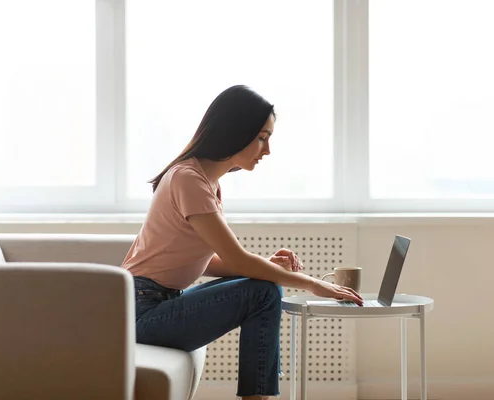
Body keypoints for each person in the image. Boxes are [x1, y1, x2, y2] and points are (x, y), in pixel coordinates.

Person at [122, 85, 363, 400]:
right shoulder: (188, 179)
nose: (267, 150)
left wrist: (265, 267)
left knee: (263, 285)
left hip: (154, 302)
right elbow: (237, 259)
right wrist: (311, 284)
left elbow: (200, 261)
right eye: (262, 137)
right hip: (142, 312)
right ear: (236, 131)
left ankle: (258, 395)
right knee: (263, 291)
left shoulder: (205, 181)